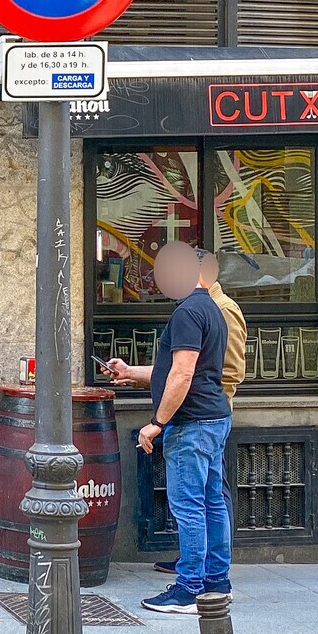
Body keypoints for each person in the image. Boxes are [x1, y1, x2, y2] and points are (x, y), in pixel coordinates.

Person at [101, 240, 233, 613]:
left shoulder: (188, 313)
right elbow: (174, 371)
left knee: (189, 506)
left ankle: (189, 589)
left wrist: (157, 422)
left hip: (191, 424)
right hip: (213, 417)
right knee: (211, 504)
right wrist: (130, 373)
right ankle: (217, 583)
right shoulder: (208, 309)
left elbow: (183, 373)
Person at [202, 250, 248, 401]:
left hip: (208, 414)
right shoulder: (198, 306)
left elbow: (232, 370)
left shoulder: (224, 308)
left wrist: (213, 406)